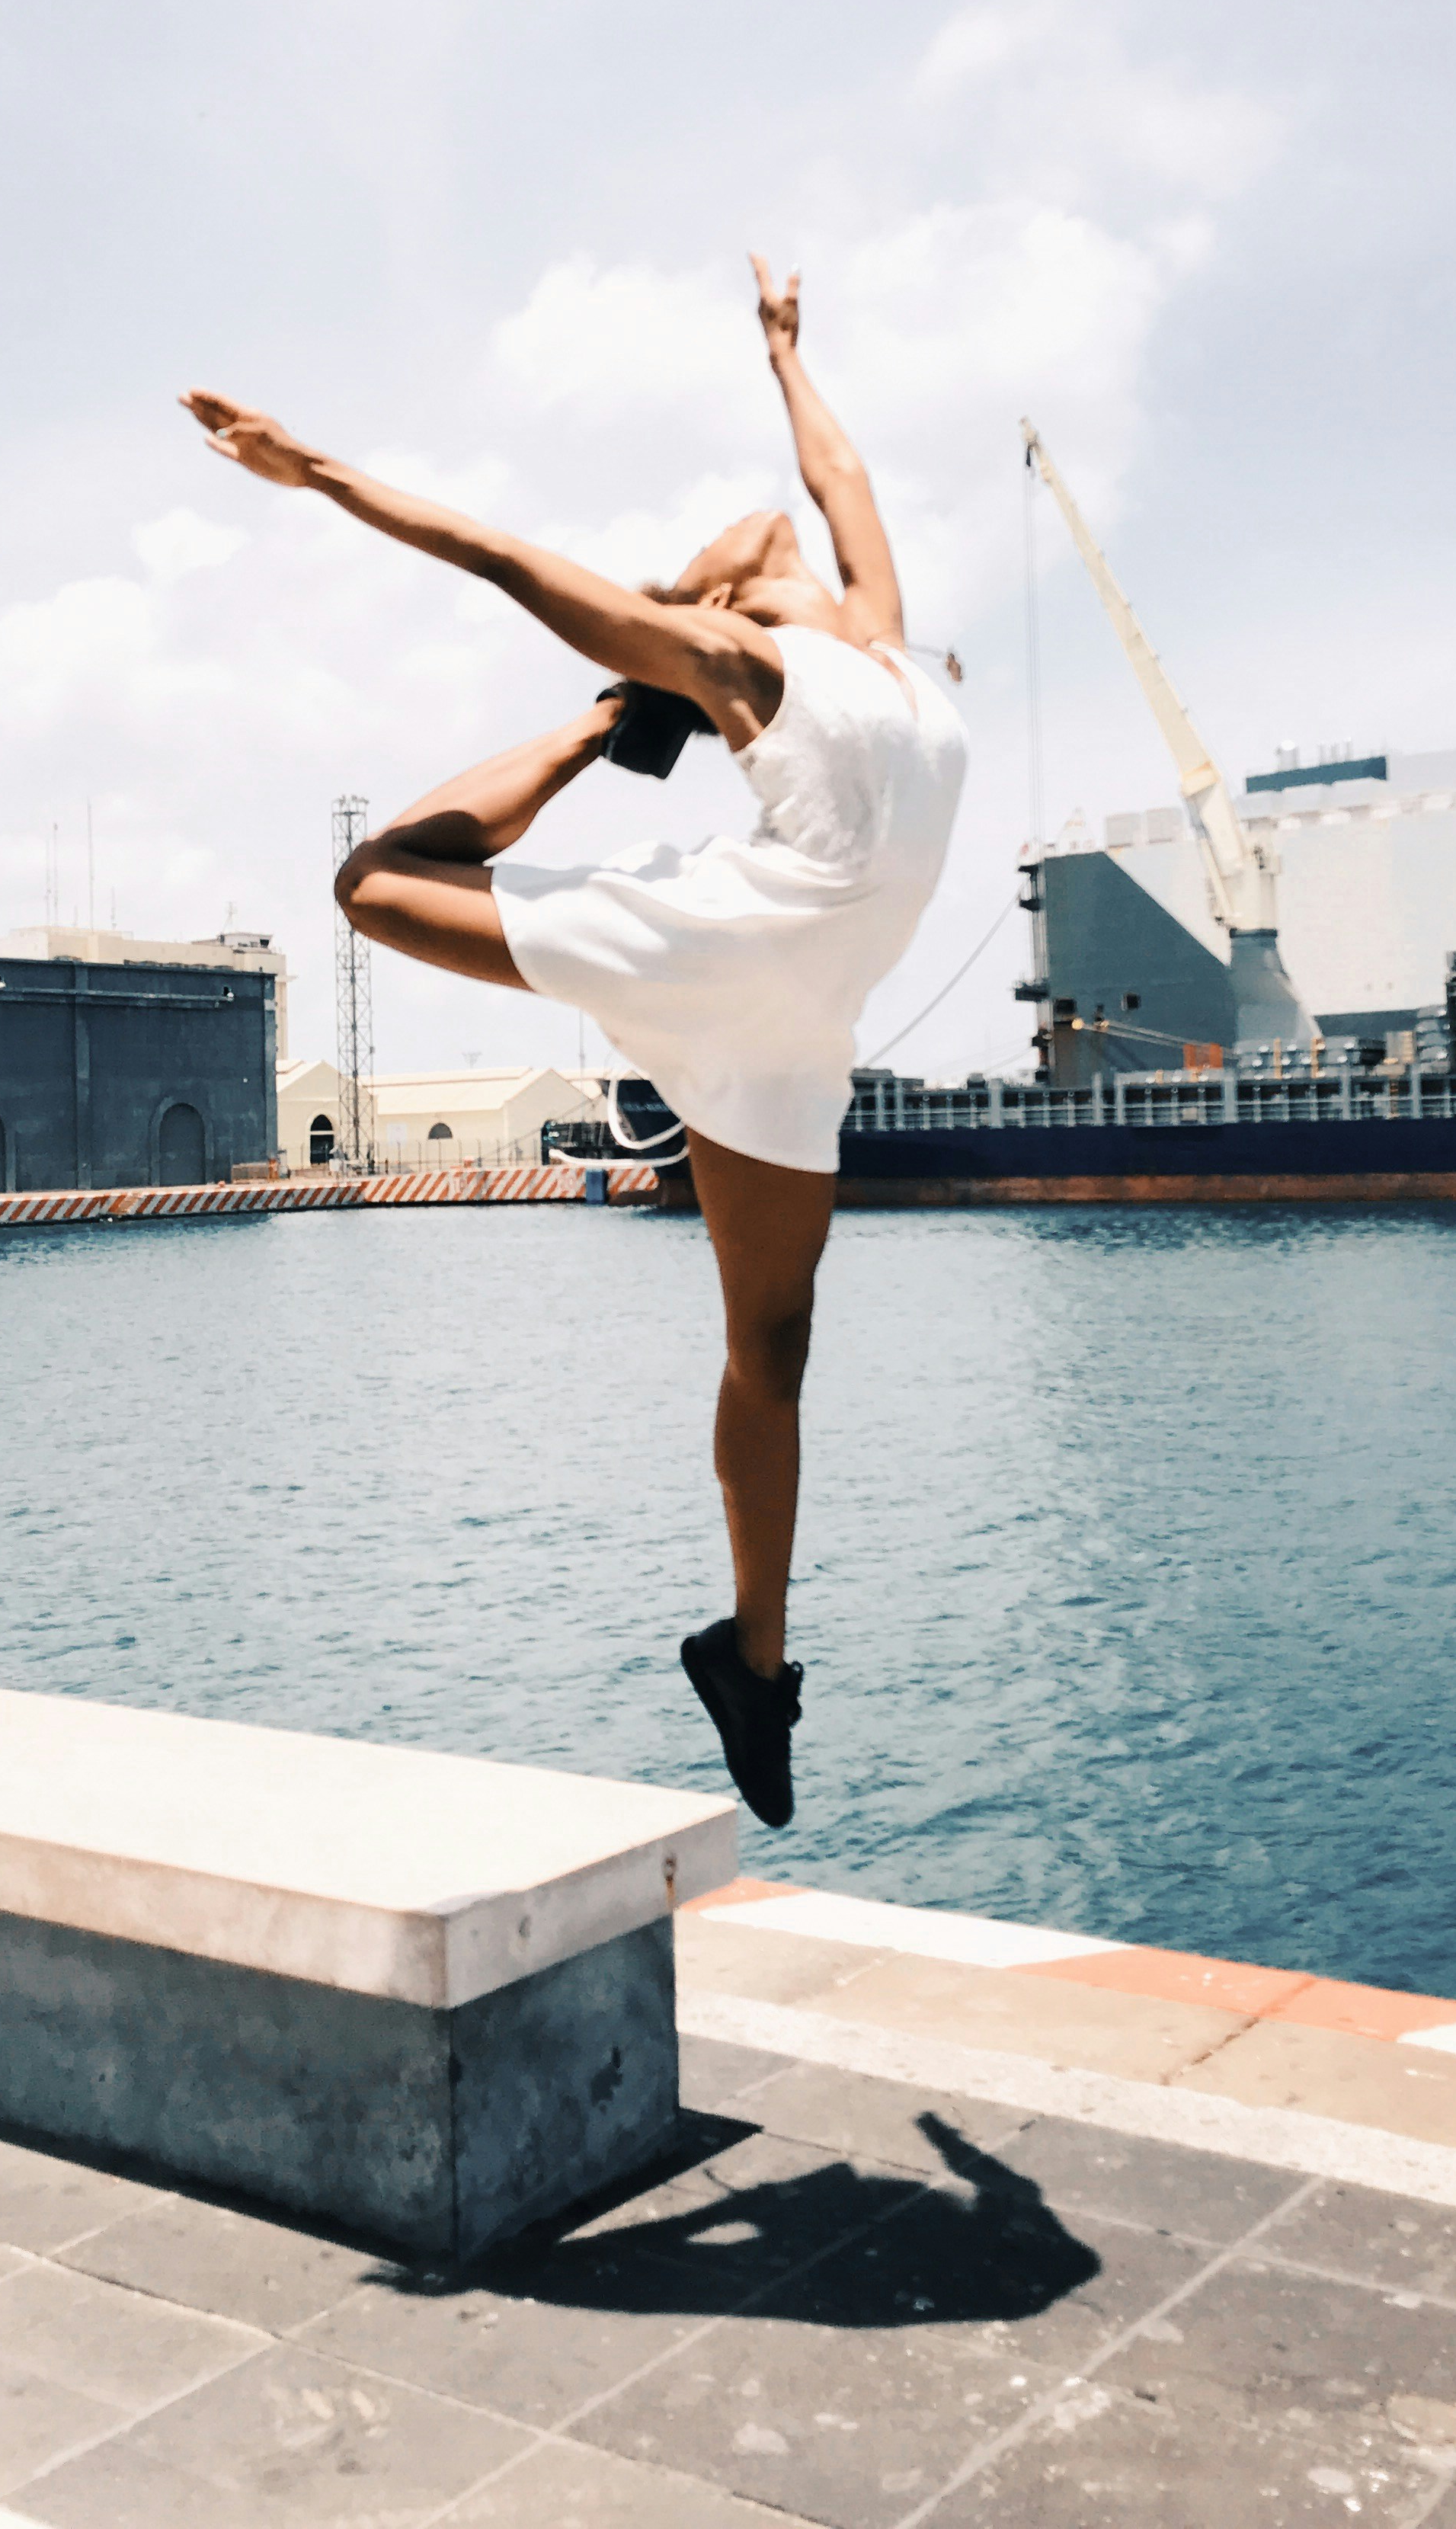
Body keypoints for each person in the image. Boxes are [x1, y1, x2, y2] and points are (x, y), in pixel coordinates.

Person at [182, 255, 966, 1824]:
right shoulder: (772, 663)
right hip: (741, 942)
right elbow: (503, 556)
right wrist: (311, 468)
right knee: (372, 886)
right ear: (715, 620)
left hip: (799, 1003)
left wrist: (784, 353)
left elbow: (835, 482)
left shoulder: (876, 643)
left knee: (774, 1347)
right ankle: (597, 733)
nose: (748, 548)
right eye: (720, 571)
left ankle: (753, 1663)